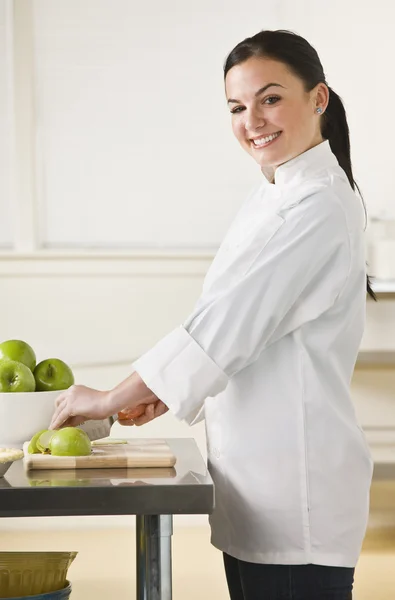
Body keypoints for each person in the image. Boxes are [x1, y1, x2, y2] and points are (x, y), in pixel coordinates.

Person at [50, 29, 376, 600]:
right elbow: (233, 326)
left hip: (294, 489)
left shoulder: (318, 205)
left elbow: (227, 325)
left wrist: (109, 399)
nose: (252, 120)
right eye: (236, 107)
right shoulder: (273, 195)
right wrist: (155, 390)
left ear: (318, 99)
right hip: (254, 486)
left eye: (270, 98)